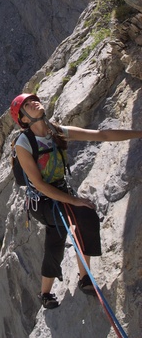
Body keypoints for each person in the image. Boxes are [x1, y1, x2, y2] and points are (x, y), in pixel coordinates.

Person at [10, 92, 142, 309]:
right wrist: (75, 201)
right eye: (27, 104)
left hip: (59, 191)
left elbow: (102, 136)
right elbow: (40, 185)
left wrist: (138, 133)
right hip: (41, 201)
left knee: (63, 233)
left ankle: (57, 288)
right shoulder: (23, 144)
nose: (34, 102)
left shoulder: (56, 131)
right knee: (70, 221)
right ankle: (79, 280)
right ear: (23, 119)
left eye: (34, 100)